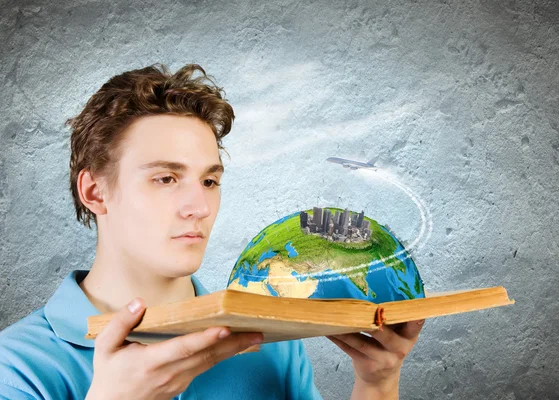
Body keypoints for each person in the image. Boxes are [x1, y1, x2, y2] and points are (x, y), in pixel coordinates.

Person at [0, 64, 425, 399]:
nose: (199, 208)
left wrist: (377, 385)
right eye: (165, 178)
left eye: (209, 181)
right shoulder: (16, 368)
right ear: (95, 192)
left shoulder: (269, 340)